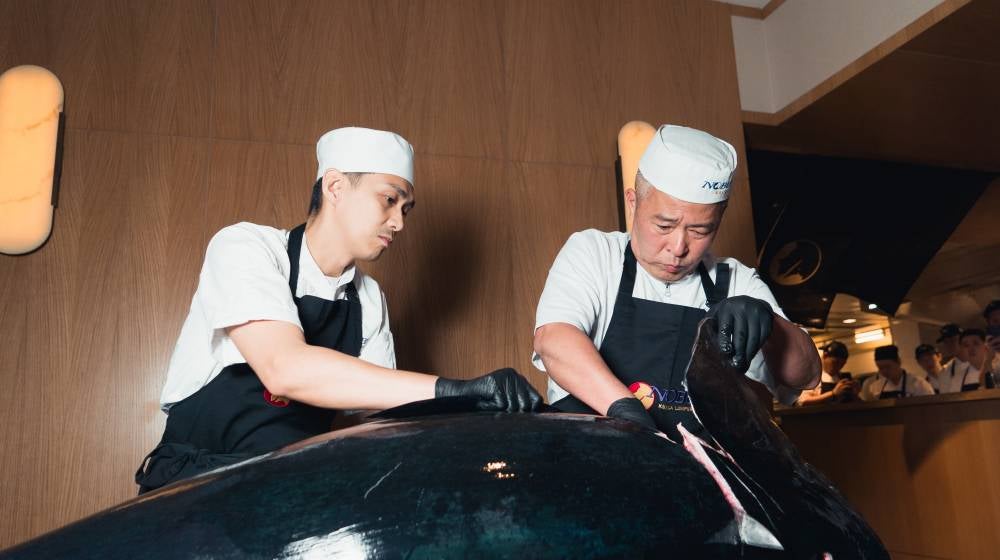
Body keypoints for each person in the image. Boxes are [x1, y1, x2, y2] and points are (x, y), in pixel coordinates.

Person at [136, 127, 541, 493]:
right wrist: (455, 387)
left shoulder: (368, 298)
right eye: (389, 200)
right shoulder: (246, 247)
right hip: (190, 490)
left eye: (406, 209)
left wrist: (473, 404)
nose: (398, 222)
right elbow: (284, 369)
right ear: (334, 187)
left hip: (285, 491)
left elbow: (379, 415)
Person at [532, 124, 820, 439]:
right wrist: (626, 412)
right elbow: (554, 339)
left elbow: (807, 376)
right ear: (633, 203)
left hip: (697, 473)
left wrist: (772, 326)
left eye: (700, 231)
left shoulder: (734, 279)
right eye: (664, 225)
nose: (679, 247)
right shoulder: (594, 253)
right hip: (593, 460)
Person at [859, 345, 934, 400]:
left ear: (898, 362)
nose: (884, 371)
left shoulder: (918, 384)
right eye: (880, 368)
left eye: (888, 367)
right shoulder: (875, 388)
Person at [797, 341, 860, 405]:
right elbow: (803, 400)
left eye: (842, 364)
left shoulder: (843, 379)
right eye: (835, 362)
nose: (838, 367)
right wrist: (832, 393)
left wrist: (855, 393)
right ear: (825, 356)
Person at [936, 323, 968, 393]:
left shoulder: (981, 362)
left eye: (953, 340)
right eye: (945, 342)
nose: (949, 345)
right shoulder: (945, 372)